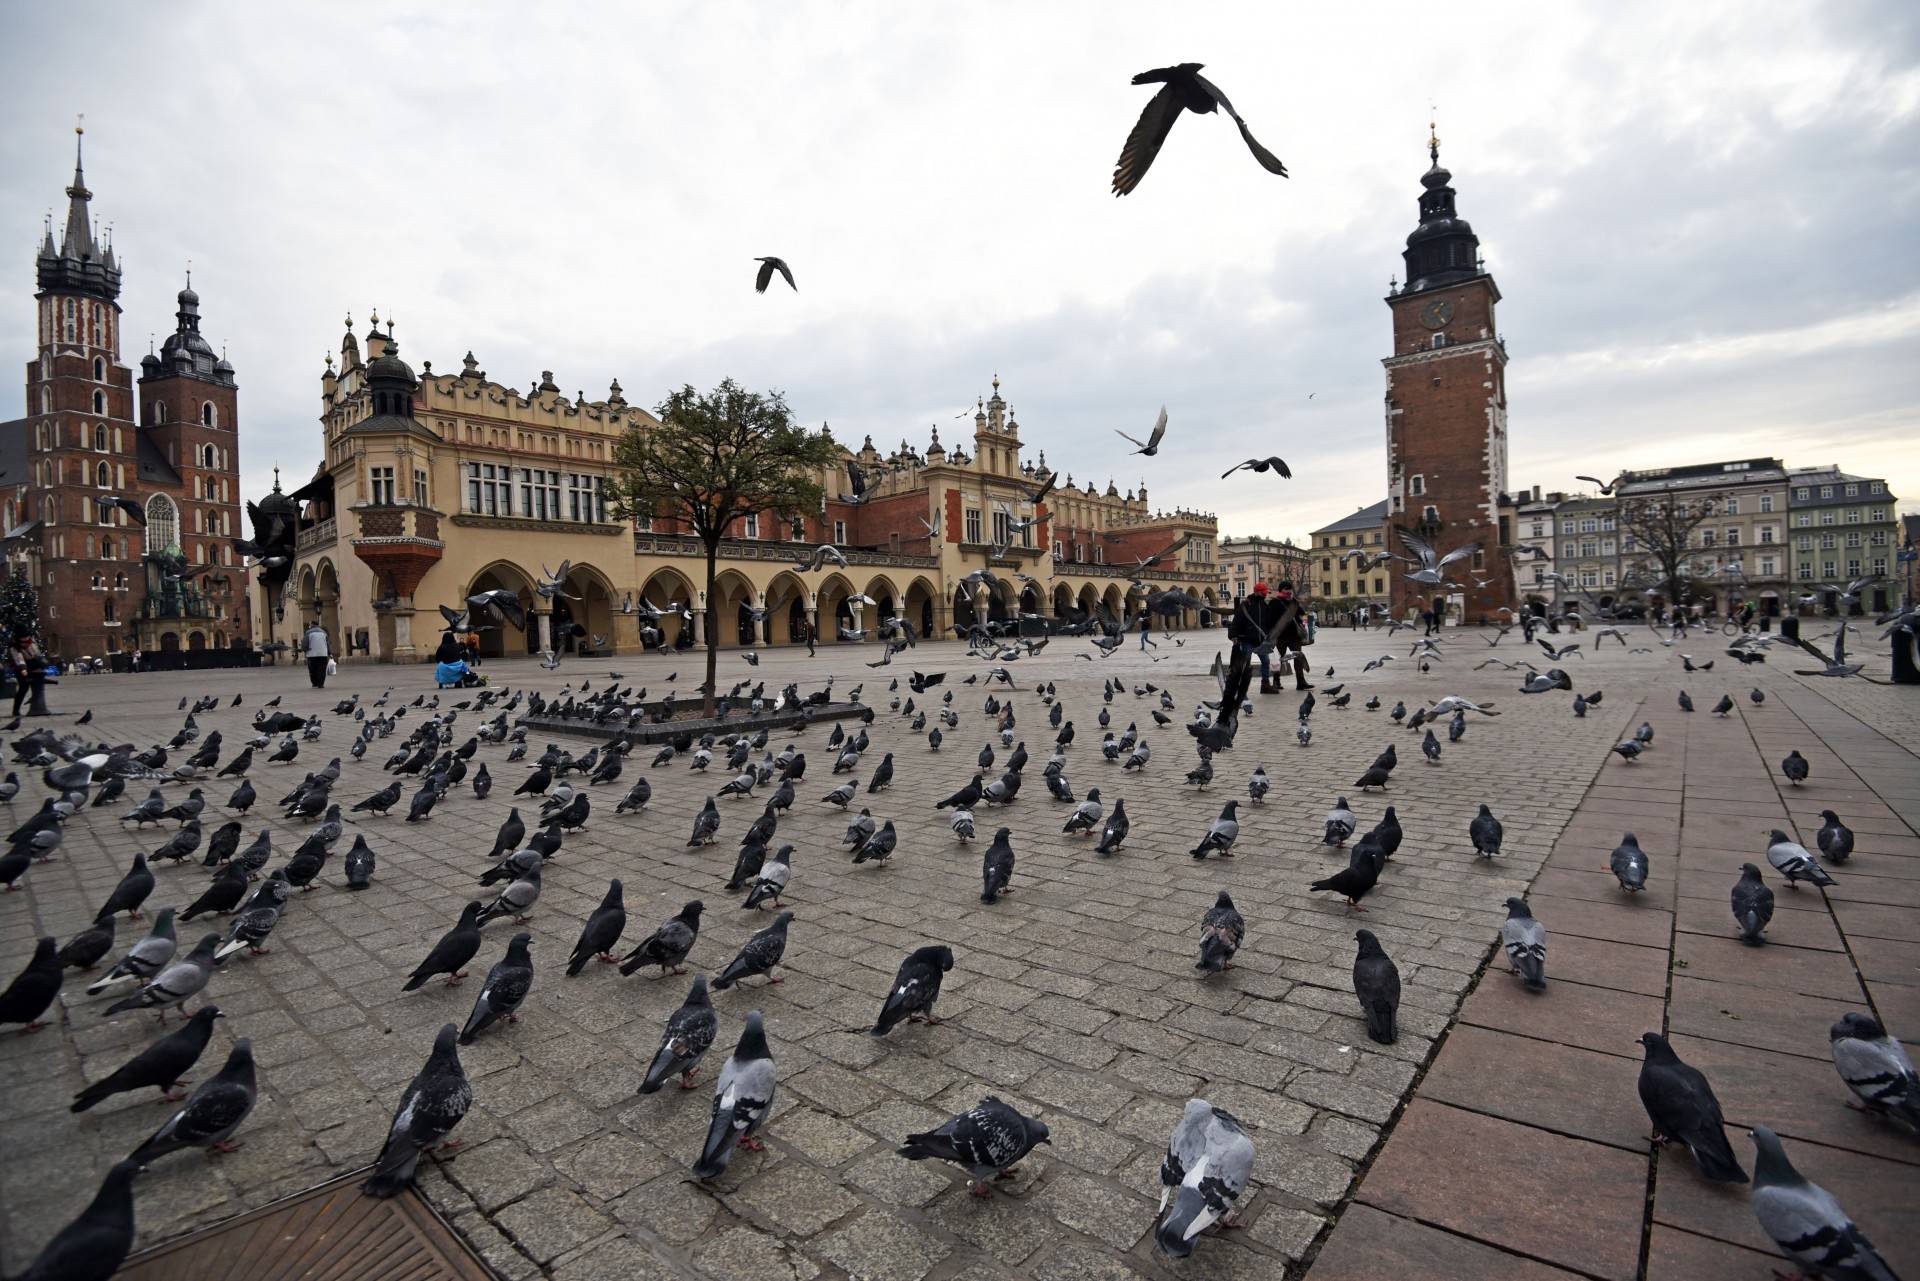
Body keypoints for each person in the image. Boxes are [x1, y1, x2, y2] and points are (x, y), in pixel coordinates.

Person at [304, 619, 331, 689]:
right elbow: (328, 644)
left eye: (310, 624)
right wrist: (329, 652)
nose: (309, 626)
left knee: (313, 669)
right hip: (323, 654)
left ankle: (315, 683)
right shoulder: (324, 632)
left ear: (312, 624)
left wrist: (304, 649)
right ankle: (321, 684)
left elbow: (305, 643)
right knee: (322, 669)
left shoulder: (308, 632)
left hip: (312, 654)